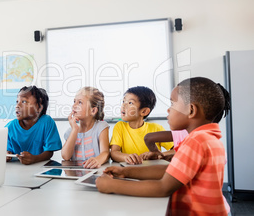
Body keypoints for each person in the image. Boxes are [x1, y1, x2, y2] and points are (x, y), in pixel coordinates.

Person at [96, 77, 231, 215]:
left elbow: (163, 187)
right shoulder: (208, 139)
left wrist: (112, 186)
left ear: (191, 110)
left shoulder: (197, 141)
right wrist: (126, 171)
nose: (168, 110)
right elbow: (172, 170)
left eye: (172, 104)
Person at [110, 86, 173, 164]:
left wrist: (159, 155)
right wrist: (126, 157)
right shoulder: (119, 127)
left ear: (144, 111)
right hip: (129, 170)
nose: (123, 106)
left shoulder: (156, 128)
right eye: (123, 101)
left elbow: (176, 149)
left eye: (130, 103)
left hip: (152, 170)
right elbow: (114, 153)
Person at [5, 86, 62, 165]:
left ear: (39, 107)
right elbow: (5, 151)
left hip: (39, 168)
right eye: (17, 101)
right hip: (16, 169)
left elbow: (49, 152)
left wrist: (34, 159)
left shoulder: (47, 122)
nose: (17, 106)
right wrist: (5, 155)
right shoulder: (9, 127)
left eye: (24, 102)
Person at [61, 87, 109, 169]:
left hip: (95, 173)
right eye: (74, 101)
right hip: (75, 175)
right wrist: (75, 130)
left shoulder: (101, 127)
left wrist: (97, 160)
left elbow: (105, 153)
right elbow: (65, 156)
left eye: (80, 102)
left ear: (93, 111)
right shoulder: (71, 131)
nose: (74, 105)